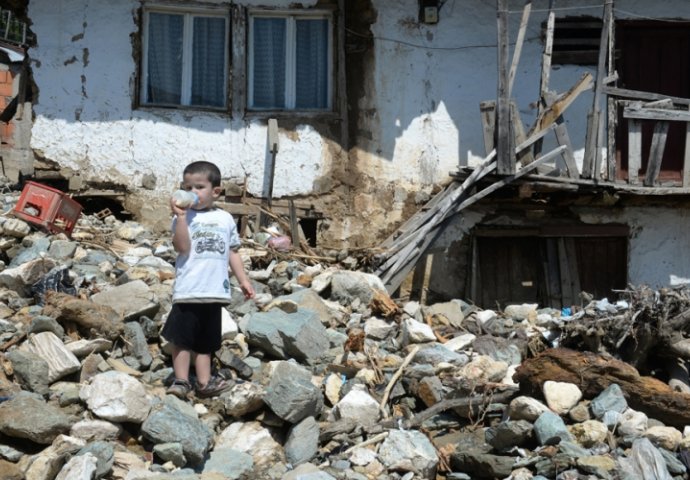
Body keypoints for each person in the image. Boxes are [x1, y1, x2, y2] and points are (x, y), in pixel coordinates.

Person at [162, 160, 255, 399]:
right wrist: (181, 218)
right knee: (181, 340)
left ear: (215, 191)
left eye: (198, 187)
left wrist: (243, 280)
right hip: (189, 289)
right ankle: (181, 380)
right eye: (187, 187)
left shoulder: (225, 219)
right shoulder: (183, 217)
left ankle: (204, 382)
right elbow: (182, 248)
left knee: (207, 342)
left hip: (215, 291)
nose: (191, 193)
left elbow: (232, 252)